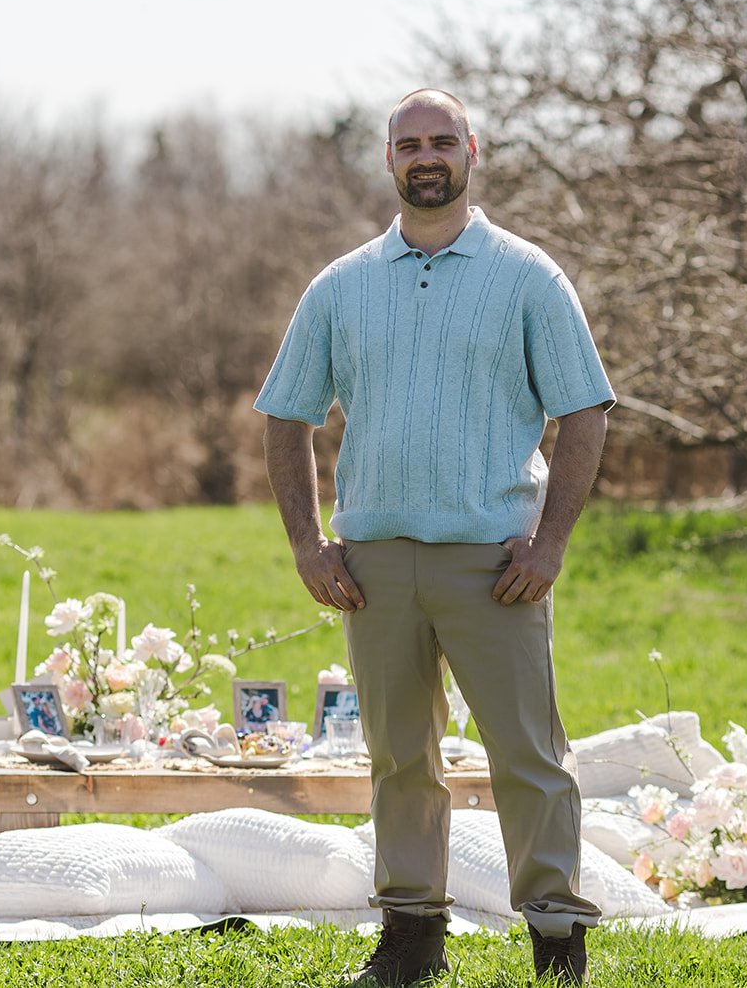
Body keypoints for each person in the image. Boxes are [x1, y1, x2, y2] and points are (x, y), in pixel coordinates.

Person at [256, 88, 612, 986]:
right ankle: (412, 935)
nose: (426, 156)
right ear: (388, 159)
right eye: (409, 143)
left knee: (528, 753)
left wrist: (549, 544)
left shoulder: (529, 276)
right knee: (398, 757)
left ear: (471, 151)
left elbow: (585, 412)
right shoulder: (341, 286)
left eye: (441, 141)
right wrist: (308, 544)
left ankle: (557, 937)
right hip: (373, 563)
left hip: (495, 561)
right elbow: (285, 416)